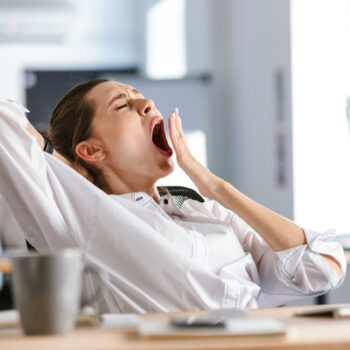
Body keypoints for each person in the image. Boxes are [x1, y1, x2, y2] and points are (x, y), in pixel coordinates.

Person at [0, 79, 346, 314]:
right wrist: (56, 158)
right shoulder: (84, 216)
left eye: (140, 96)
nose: (147, 103)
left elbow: (322, 269)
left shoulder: (202, 209)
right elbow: (7, 125)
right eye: (122, 105)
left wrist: (216, 187)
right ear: (92, 150)